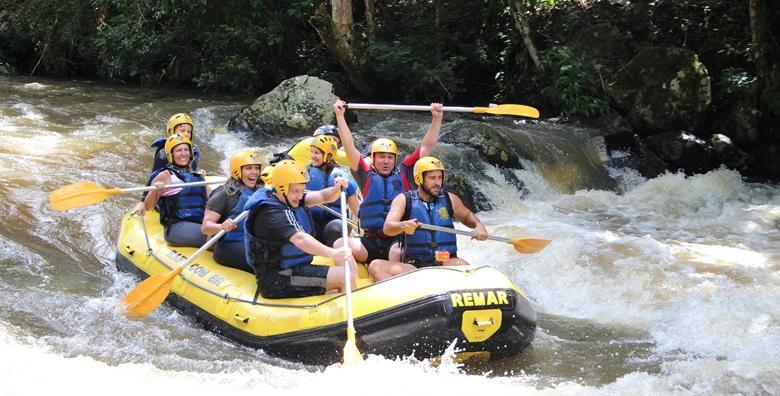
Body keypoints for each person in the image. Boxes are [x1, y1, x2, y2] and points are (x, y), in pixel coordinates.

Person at [332, 99, 443, 264]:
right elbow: (349, 145)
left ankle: (392, 275)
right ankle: (352, 281)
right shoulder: (364, 173)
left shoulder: (406, 171)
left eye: (390, 157)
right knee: (340, 243)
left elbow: (426, 146)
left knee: (396, 254)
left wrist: (437, 118)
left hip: (397, 239)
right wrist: (340, 116)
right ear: (373, 158)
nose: (386, 161)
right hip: (370, 240)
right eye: (382, 157)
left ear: (395, 159)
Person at [244, 159, 356, 299]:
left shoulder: (289, 196)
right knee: (344, 276)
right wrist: (332, 253)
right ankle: (354, 318)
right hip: (278, 279)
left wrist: (336, 189)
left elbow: (322, 196)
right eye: (296, 191)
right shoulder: (270, 212)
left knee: (347, 269)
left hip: (295, 269)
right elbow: (299, 238)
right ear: (282, 187)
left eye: (302, 190)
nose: (299, 195)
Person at [368, 156, 488, 281]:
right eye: (432, 178)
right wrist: (403, 225)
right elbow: (388, 228)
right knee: (376, 266)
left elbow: (469, 217)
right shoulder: (404, 199)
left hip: (445, 262)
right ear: (419, 178)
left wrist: (479, 227)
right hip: (415, 266)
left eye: (440, 177)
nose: (437, 183)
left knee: (462, 265)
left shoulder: (449, 199)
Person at [138, 133, 210, 248]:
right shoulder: (165, 175)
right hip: (177, 227)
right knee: (219, 237)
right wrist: (155, 191)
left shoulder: (198, 176)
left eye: (186, 150)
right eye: (178, 150)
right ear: (171, 155)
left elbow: (213, 198)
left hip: (199, 222)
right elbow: (148, 207)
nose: (183, 154)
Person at [200, 150, 262, 272]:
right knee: (265, 259)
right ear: (236, 170)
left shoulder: (260, 191)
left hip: (251, 241)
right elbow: (205, 227)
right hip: (228, 246)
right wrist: (221, 226)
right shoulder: (224, 194)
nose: (254, 172)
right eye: (249, 168)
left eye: (257, 168)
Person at [305, 134, 360, 247]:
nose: (313, 156)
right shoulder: (305, 173)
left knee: (334, 228)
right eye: (312, 152)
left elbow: (357, 209)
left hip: (333, 223)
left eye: (317, 153)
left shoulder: (340, 176)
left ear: (329, 156)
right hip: (312, 221)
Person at [261, 124, 350, 185]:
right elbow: (350, 159)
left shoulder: (316, 149)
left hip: (280, 177)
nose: (334, 145)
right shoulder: (312, 143)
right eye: (332, 139)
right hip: (273, 178)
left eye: (336, 143)